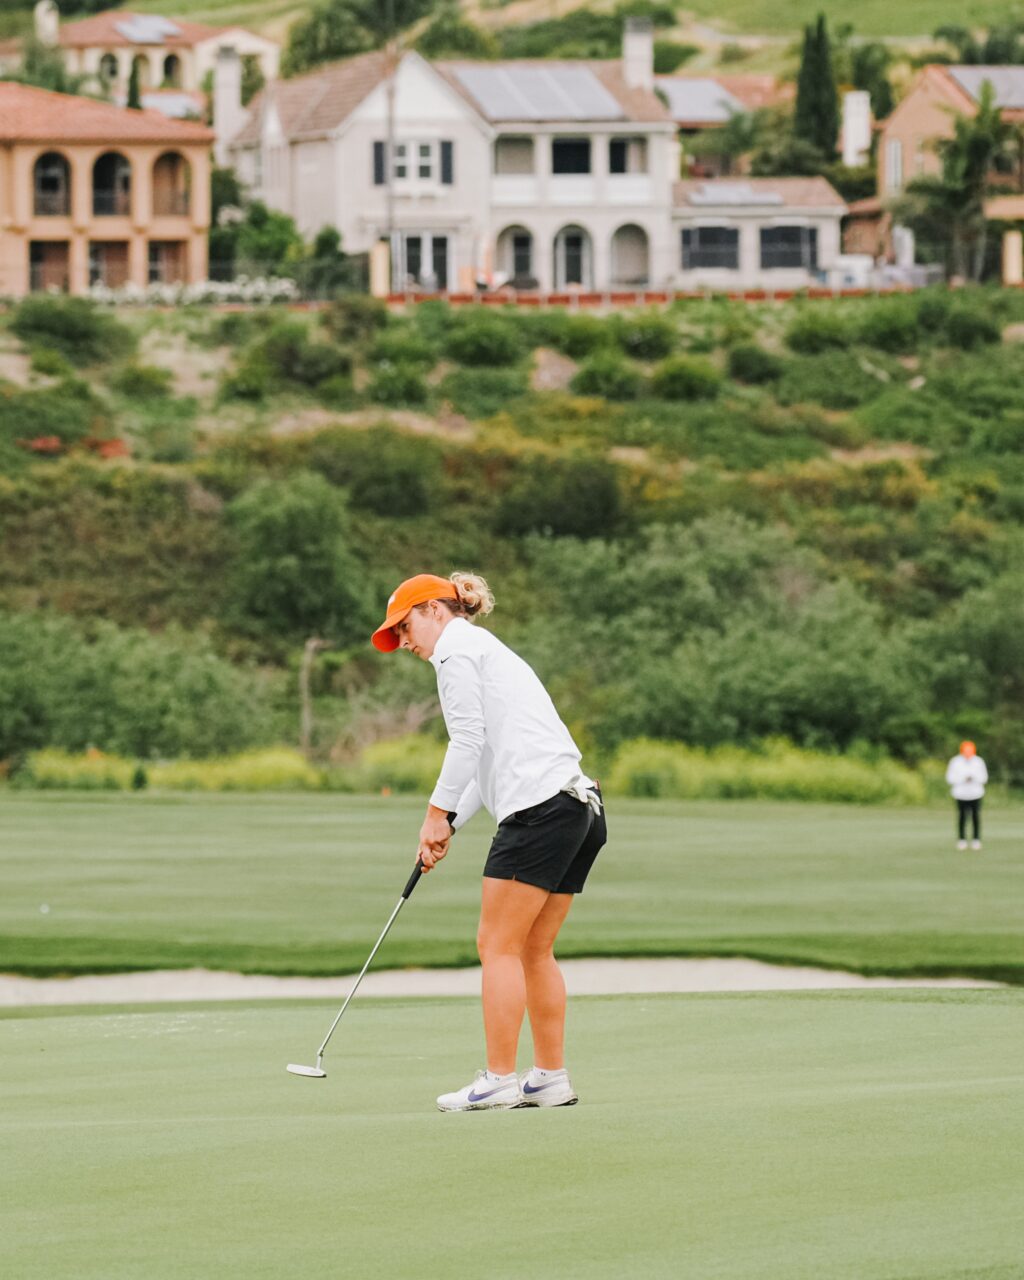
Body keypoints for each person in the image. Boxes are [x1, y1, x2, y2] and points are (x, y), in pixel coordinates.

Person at [371, 571, 606, 1112]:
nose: (405, 642)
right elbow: (483, 761)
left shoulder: (454, 652)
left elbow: (466, 740)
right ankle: (549, 1077)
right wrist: (448, 823)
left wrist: (432, 814)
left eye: (404, 627)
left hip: (540, 811)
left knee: (495, 946)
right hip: (580, 808)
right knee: (532, 949)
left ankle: (499, 1078)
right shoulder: (485, 649)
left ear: (434, 610)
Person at [945, 741, 988, 851]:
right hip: (960, 794)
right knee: (962, 817)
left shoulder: (978, 761)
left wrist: (973, 778)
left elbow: (984, 778)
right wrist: (963, 779)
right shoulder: (955, 761)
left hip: (975, 794)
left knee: (975, 817)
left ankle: (976, 839)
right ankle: (962, 839)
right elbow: (950, 778)